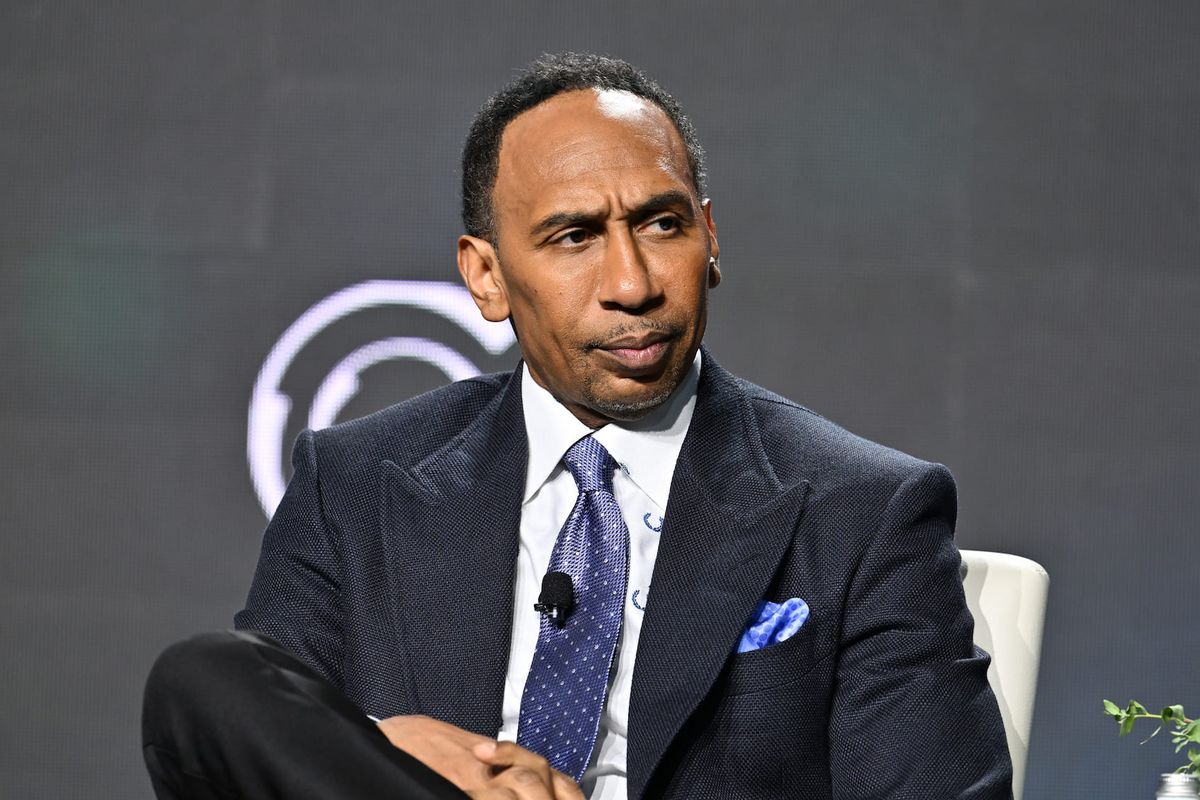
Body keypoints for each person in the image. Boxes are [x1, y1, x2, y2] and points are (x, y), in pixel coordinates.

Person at [143, 53, 1012, 800]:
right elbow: (238, 740)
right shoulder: (357, 480)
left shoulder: (862, 510)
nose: (631, 282)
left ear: (709, 239)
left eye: (661, 224)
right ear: (485, 276)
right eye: (573, 237)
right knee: (201, 676)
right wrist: (384, 738)